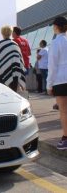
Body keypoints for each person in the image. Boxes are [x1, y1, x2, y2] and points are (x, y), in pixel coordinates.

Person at [46, 16, 67, 150]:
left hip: (60, 80)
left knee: (64, 111)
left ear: (56, 27)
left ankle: (65, 138)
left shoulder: (55, 42)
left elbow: (52, 66)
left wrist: (49, 85)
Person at [0, 25, 26, 92]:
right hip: (15, 72)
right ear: (11, 33)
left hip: (2, 72)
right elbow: (20, 60)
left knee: (3, 93)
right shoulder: (15, 44)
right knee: (14, 93)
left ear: (2, 33)